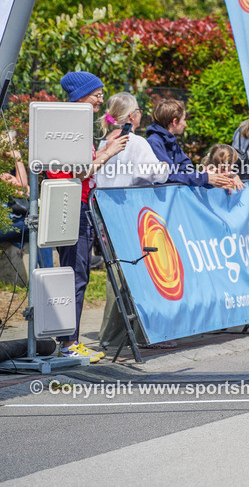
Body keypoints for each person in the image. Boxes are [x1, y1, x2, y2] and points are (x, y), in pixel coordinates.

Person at [46, 73, 129, 362]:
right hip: (71, 205)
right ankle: (69, 343)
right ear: (81, 95)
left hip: (78, 204)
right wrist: (107, 153)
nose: (100, 100)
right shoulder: (70, 127)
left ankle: (69, 341)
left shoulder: (76, 125)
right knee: (75, 277)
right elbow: (80, 171)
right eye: (96, 94)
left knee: (77, 276)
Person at [95, 93, 173, 349]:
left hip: (106, 214)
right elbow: (154, 174)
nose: (141, 114)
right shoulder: (136, 143)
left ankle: (114, 336)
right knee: (137, 274)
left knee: (116, 274)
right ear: (131, 116)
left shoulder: (103, 144)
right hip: (132, 213)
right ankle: (132, 334)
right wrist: (165, 166)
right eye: (138, 110)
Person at [146, 99, 241, 191]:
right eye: (184, 119)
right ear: (175, 122)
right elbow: (167, 176)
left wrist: (216, 180)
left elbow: (188, 171)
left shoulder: (171, 142)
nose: (185, 123)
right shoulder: (154, 142)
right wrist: (205, 178)